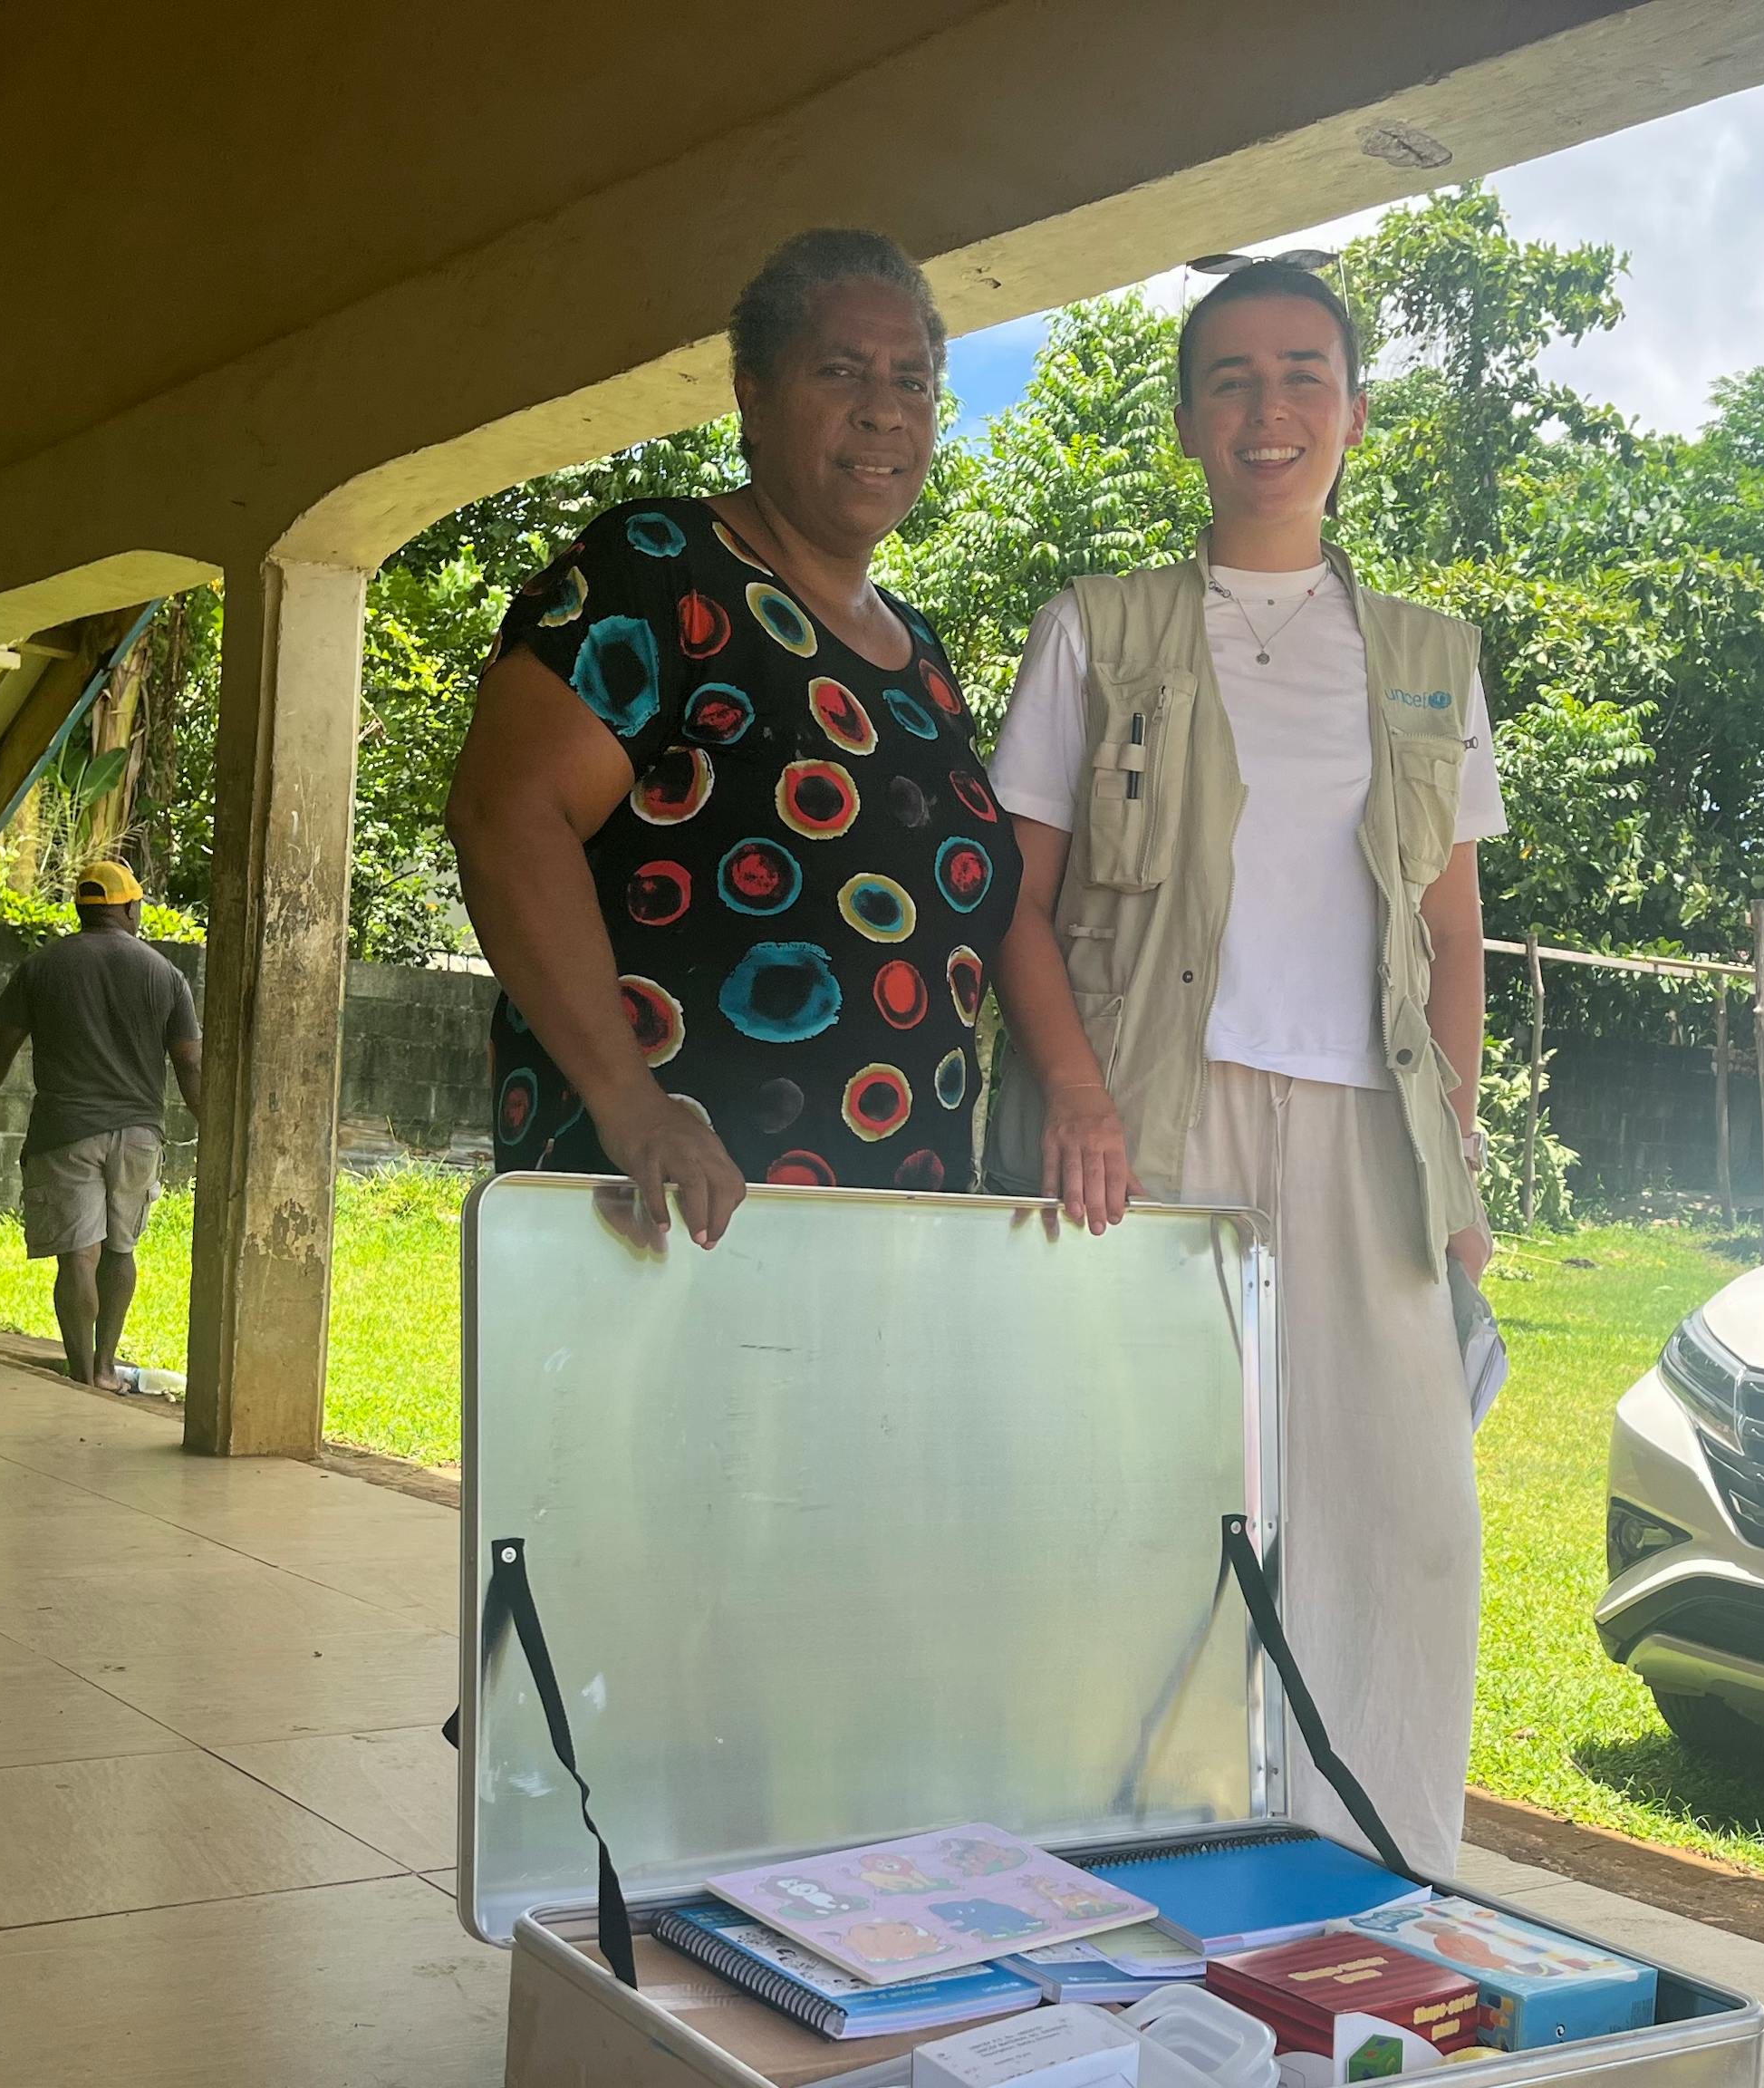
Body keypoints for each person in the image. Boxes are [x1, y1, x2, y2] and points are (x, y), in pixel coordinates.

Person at [982, 258, 1503, 1867]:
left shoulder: (1427, 654)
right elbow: (1013, 893)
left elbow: (1453, 936)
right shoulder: (1101, 627)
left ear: (1351, 412)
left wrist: (1462, 1168)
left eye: (1300, 376)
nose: (1267, 410)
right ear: (1191, 420)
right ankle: (1113, 1853)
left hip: (1369, 1134)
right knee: (1137, 1497)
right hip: (1151, 1119)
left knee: (1396, 1516)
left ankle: (1378, 1858)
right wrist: (1074, 1093)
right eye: (1230, 379)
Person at [448, 228, 1011, 1247]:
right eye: (840, 370)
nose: (884, 407)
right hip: (668, 1210)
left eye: (913, 381)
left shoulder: (922, 659)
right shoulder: (659, 569)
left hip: (886, 1229)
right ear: (753, 394)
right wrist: (632, 1105)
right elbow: (506, 814)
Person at [0, 861, 202, 1389]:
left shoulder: (42, 967)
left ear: (80, 909)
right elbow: (190, 1065)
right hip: (138, 1135)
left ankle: (83, 1373)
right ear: (131, 908)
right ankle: (108, 1367)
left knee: (78, 1256)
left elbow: (0, 1050)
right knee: (120, 1249)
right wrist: (216, 1132)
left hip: (64, 1132)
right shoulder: (165, 974)